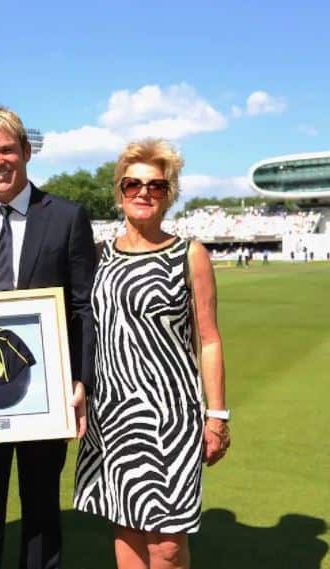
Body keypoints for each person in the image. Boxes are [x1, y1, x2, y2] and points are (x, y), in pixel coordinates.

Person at [0, 106, 96, 569]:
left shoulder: (67, 217)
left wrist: (81, 383)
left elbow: (84, 307)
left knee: (41, 509)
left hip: (44, 391)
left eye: (7, 149)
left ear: (26, 152)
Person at [74, 139, 230, 569]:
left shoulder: (189, 254)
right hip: (112, 417)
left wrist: (217, 416)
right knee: (125, 531)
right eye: (132, 184)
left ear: (169, 193)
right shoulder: (99, 256)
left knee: (166, 546)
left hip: (171, 419)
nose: (143, 193)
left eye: (156, 186)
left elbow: (210, 339)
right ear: (119, 190)